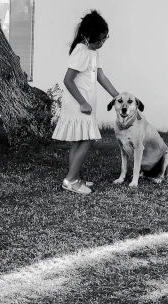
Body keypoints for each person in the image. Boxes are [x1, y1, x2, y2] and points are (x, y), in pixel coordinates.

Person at [53, 10, 119, 195]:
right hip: (78, 104)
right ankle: (70, 180)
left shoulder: (92, 51)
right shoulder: (81, 51)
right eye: (99, 40)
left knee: (80, 140)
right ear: (87, 37)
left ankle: (74, 176)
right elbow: (68, 80)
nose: (102, 43)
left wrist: (117, 95)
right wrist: (82, 102)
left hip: (85, 105)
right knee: (87, 139)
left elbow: (101, 76)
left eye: (105, 39)